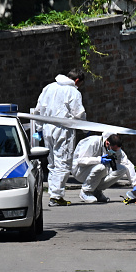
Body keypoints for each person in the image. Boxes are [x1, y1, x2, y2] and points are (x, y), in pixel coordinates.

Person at [34, 69, 86, 207]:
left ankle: (53, 192)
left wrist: (39, 128)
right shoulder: (73, 92)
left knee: (52, 163)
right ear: (76, 81)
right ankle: (56, 196)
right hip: (63, 130)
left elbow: (38, 110)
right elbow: (78, 113)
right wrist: (86, 128)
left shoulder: (48, 87)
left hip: (47, 129)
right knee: (63, 162)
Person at [72, 132, 136, 203]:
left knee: (122, 169)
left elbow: (127, 164)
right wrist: (99, 160)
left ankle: (96, 191)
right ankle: (86, 191)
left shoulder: (115, 148)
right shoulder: (93, 142)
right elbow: (80, 160)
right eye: (114, 150)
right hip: (80, 170)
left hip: (99, 169)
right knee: (101, 167)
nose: (115, 152)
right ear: (107, 143)